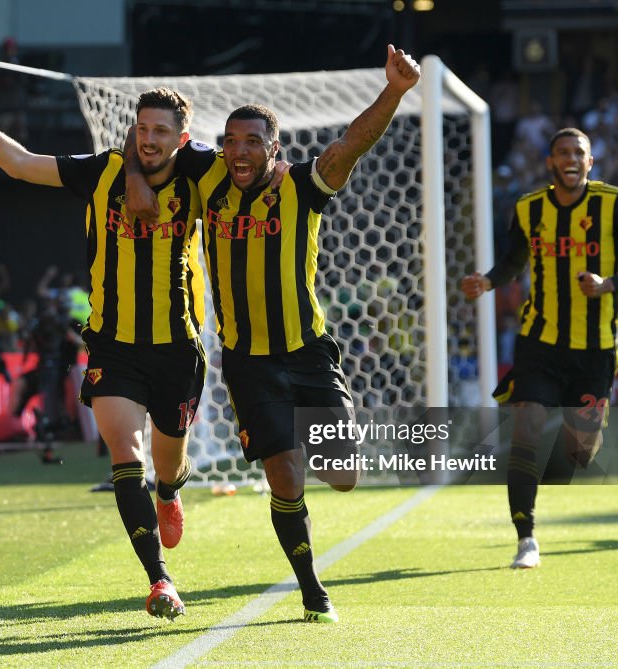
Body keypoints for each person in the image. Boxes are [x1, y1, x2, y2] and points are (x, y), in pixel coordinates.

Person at [126, 43, 421, 623]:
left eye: (252, 142)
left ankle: (311, 436)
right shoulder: (206, 174)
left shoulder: (303, 186)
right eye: (232, 140)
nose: (239, 151)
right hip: (247, 363)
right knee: (283, 475)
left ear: (274, 148)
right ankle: (313, 591)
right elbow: (147, 145)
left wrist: (396, 90)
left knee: (341, 475)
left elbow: (350, 144)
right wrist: (136, 175)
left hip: (309, 353)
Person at [0, 54, 206, 620]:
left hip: (177, 347)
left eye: (162, 131)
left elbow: (251, 169)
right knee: (123, 455)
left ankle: (169, 491)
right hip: (113, 344)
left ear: (182, 138)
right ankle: (159, 581)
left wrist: (279, 170)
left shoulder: (201, 173)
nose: (150, 139)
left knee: (167, 461)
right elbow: (18, 163)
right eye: (143, 128)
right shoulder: (101, 171)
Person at [461, 127, 618, 569]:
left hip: (595, 349)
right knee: (526, 429)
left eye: (579, 153)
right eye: (562, 153)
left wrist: (609, 284)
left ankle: (589, 427)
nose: (571, 159)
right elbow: (514, 260)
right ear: (550, 162)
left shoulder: (616, 204)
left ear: (590, 162)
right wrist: (489, 281)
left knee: (580, 452)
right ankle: (526, 539)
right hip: (540, 341)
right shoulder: (529, 208)